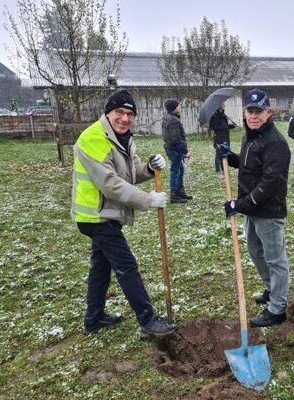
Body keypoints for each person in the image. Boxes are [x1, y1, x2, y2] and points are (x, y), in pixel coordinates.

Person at [71, 89, 177, 337]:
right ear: (107, 113)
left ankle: (93, 319)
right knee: (126, 266)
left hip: (107, 214)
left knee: (100, 267)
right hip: (96, 217)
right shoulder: (93, 139)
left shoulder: (124, 138)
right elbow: (110, 183)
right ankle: (148, 320)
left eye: (130, 114)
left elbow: (130, 173)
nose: (125, 118)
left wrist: (149, 169)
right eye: (119, 112)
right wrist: (149, 200)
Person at [218, 88, 291, 328]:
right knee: (255, 252)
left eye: (259, 111)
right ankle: (272, 290)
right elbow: (252, 167)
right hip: (253, 209)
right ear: (245, 112)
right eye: (250, 111)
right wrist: (232, 157)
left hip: (269, 211)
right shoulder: (251, 136)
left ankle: (278, 308)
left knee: (275, 259)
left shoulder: (276, 143)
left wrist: (239, 205)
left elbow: (269, 183)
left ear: (268, 112)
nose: (253, 116)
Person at [162, 98, 193, 203]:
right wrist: (185, 152)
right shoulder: (173, 120)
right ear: (173, 108)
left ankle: (180, 192)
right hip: (174, 149)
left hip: (171, 148)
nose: (180, 107)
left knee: (180, 170)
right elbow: (176, 139)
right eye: (178, 106)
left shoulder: (169, 117)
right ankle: (174, 195)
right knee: (175, 171)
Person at [210, 102, 236, 179]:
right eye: (223, 104)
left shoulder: (223, 115)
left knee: (225, 153)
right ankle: (219, 172)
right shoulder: (214, 116)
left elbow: (225, 126)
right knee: (218, 155)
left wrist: (231, 126)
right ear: (219, 106)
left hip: (225, 138)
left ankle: (225, 170)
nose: (224, 105)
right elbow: (213, 127)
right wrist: (224, 127)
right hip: (219, 138)